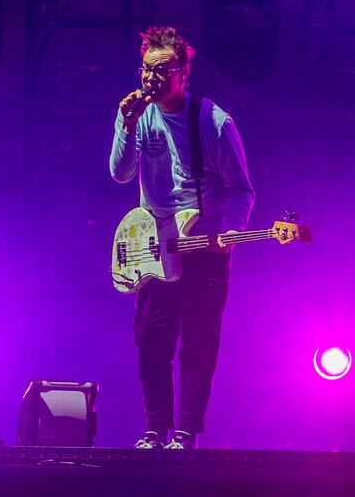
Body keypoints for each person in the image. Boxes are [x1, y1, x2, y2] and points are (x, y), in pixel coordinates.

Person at [110, 26, 255, 449]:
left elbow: (242, 189)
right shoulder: (136, 114)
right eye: (146, 70)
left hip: (204, 246)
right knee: (151, 341)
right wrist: (125, 124)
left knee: (198, 342)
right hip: (153, 245)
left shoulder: (213, 121)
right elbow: (120, 174)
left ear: (183, 73)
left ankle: (186, 432)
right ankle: (155, 428)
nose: (152, 80)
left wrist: (231, 230)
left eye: (163, 71)